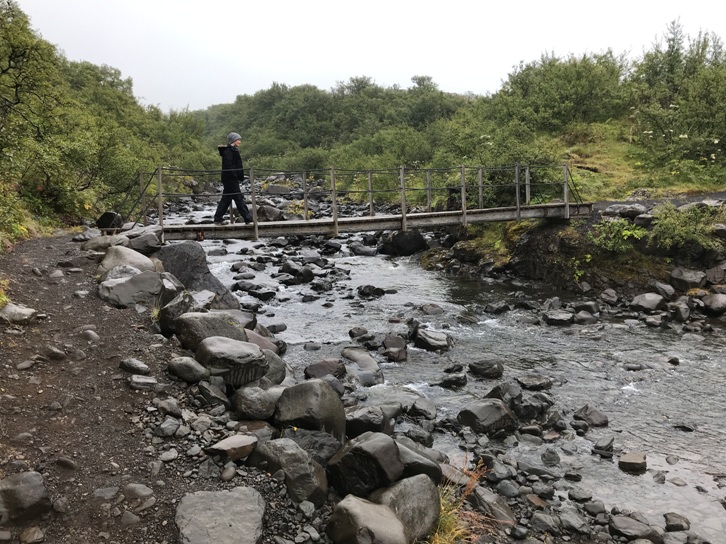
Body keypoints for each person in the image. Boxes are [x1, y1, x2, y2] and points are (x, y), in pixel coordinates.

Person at [213, 132, 253, 225]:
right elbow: (229, 166)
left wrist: (239, 175)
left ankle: (218, 217)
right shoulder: (228, 151)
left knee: (226, 199)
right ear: (233, 141)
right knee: (238, 198)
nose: (240, 142)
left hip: (230, 178)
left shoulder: (233, 150)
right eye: (238, 140)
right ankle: (248, 218)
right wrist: (236, 175)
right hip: (230, 179)